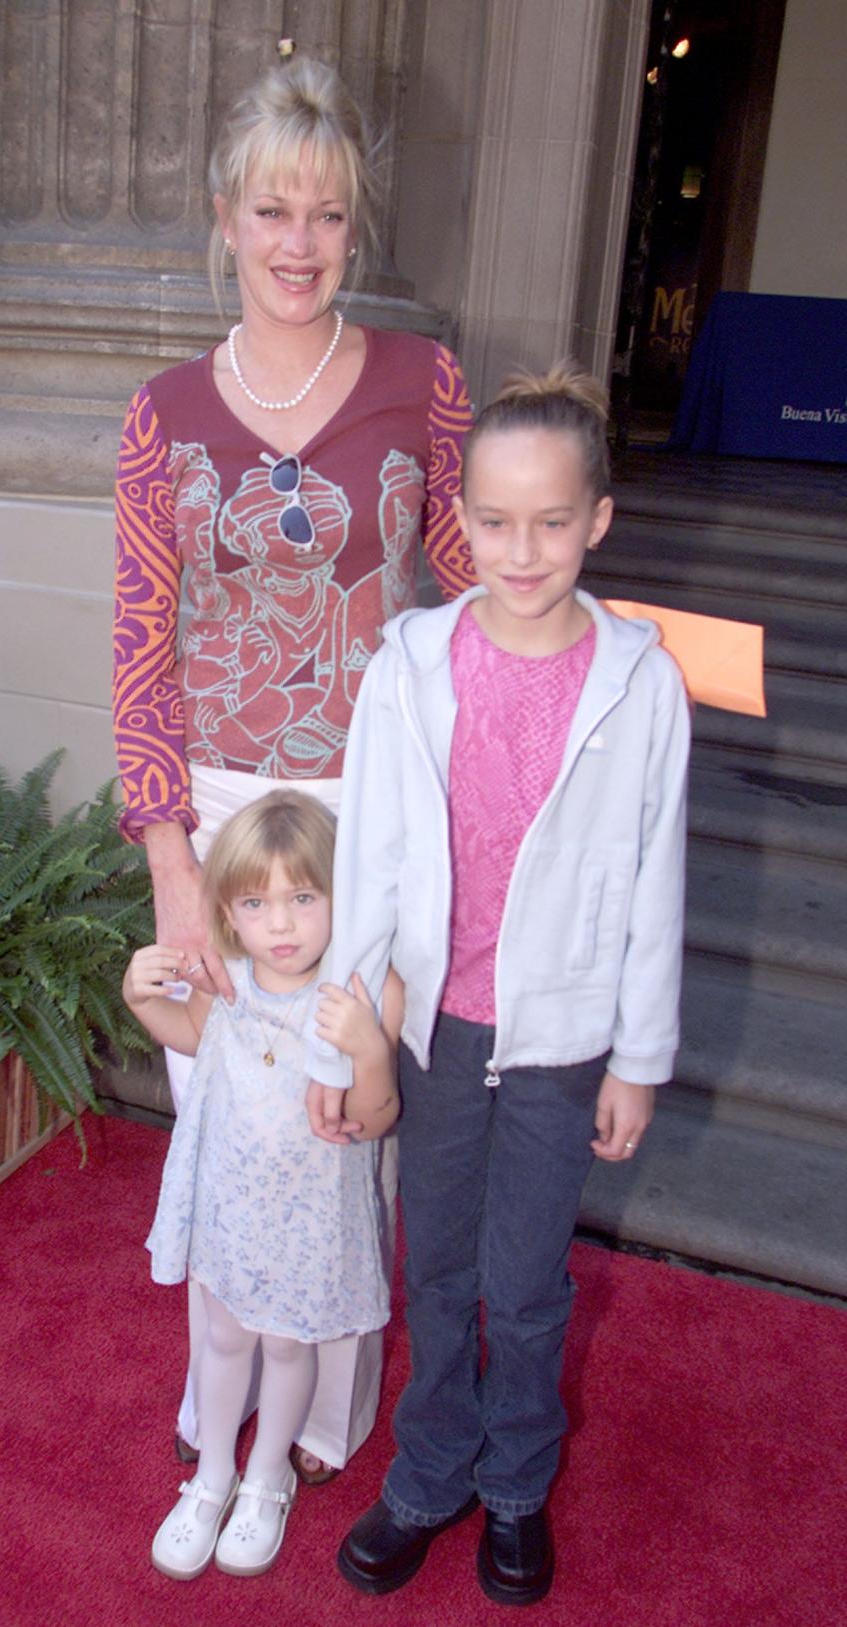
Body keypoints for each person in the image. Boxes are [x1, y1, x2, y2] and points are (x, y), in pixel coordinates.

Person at [111, 51, 472, 1481]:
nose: (300, 244)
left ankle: (319, 1418)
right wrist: (170, 873)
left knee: (341, 1118)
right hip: (217, 816)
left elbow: (465, 601)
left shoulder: (421, 383)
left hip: (364, 810)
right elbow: (141, 644)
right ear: (225, 215)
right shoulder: (160, 414)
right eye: (273, 211)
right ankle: (219, 1411)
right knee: (223, 1124)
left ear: (355, 225)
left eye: (326, 214)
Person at [305, 364, 691, 1605]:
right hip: (434, 1032)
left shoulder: (642, 680)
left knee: (525, 1286)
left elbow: (652, 876)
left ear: (600, 519)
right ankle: (432, 1472)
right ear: (457, 518)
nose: (521, 550)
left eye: (553, 520)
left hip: (562, 1040)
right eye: (494, 520)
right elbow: (369, 860)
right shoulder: (410, 661)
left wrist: (640, 1056)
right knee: (438, 1268)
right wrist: (345, 1037)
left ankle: (517, 1483)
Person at [124, 790, 402, 1581]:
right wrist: (142, 998)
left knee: (287, 1343)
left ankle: (267, 1474)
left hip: (311, 1215)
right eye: (256, 902)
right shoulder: (228, 980)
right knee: (221, 1336)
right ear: (228, 910)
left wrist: (371, 1052)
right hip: (230, 1206)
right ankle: (212, 1475)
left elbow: (377, 1119)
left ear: (340, 896)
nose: (281, 924)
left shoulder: (359, 995)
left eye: (303, 898)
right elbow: (192, 1036)